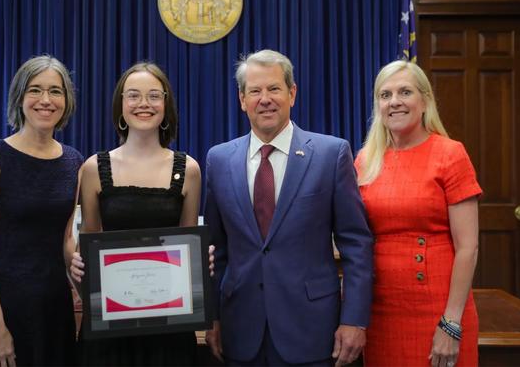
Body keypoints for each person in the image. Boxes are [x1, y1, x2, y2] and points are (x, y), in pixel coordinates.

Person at [204, 49, 374, 366]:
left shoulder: (331, 154)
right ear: (242, 100)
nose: (264, 98)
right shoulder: (218, 159)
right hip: (240, 331)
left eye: (274, 88)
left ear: (292, 93)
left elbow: (356, 244)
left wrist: (355, 320)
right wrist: (212, 317)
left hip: (312, 331)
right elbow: (217, 249)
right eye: (254, 91)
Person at [0, 56, 83, 366]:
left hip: (53, 312)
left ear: (66, 100)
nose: (46, 100)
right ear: (19, 97)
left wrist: (93, 288)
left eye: (56, 91)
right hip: (0, 310)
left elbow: (65, 240)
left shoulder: (74, 162)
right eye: (35, 90)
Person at [68, 62, 201, 366]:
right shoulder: (92, 169)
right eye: (134, 96)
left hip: (169, 326)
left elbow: (188, 245)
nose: (144, 104)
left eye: (154, 95)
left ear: (166, 106)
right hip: (109, 327)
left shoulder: (189, 170)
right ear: (121, 105)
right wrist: (78, 266)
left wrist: (198, 261)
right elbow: (87, 244)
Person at [354, 60, 481, 367]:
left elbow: (468, 248)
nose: (394, 101)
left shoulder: (451, 154)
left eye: (405, 92)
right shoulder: (365, 160)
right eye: (385, 95)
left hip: (439, 308)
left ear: (425, 101)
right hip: (381, 312)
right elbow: (352, 235)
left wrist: (450, 322)